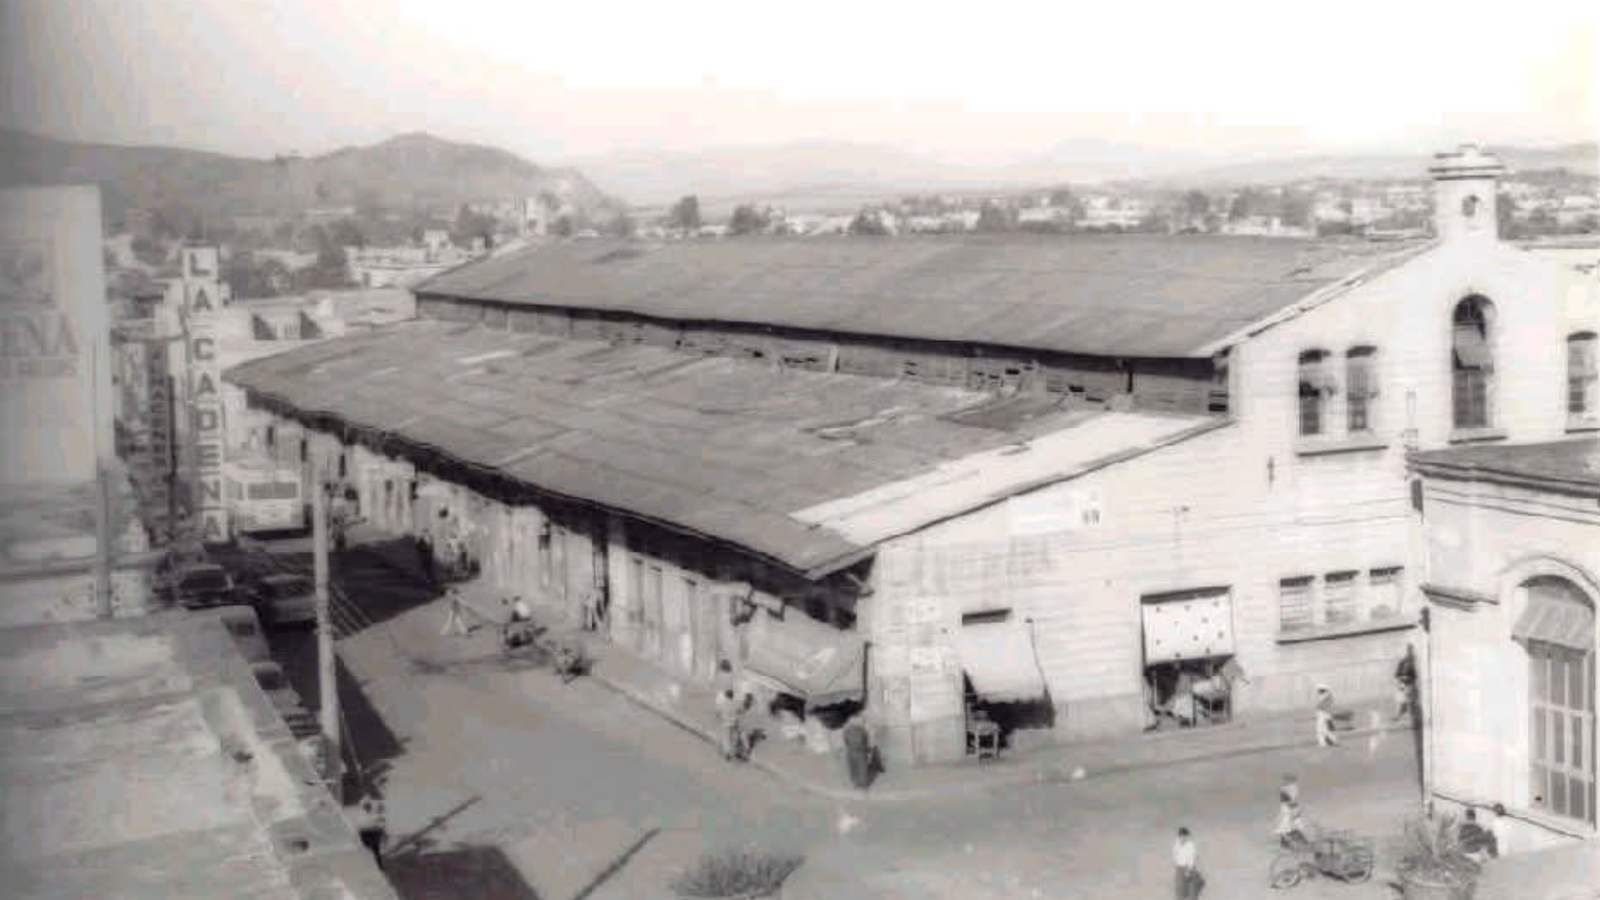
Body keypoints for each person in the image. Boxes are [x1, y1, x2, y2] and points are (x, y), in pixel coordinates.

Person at [351, 794, 387, 870]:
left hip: (369, 833)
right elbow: (379, 823)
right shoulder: (366, 814)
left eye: (368, 805)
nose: (368, 806)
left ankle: (377, 866)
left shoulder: (365, 813)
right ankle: (378, 866)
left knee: (373, 851)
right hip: (368, 833)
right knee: (374, 851)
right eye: (367, 805)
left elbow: (379, 822)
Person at [716, 687, 747, 762]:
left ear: (726, 696)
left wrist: (721, 718)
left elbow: (718, 713)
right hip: (734, 723)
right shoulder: (736, 703)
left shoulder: (722, 704)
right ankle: (735, 751)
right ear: (732, 695)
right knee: (733, 738)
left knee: (726, 739)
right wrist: (737, 715)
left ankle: (727, 753)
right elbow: (742, 711)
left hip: (725, 723)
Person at [1173, 827, 1204, 900]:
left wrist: (1189, 870)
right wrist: (1177, 863)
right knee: (1180, 890)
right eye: (1181, 837)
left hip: (1188, 866)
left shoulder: (1190, 846)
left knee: (1192, 886)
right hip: (1180, 866)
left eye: (1184, 837)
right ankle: (1184, 893)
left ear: (1187, 837)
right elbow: (1175, 854)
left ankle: (1197, 886)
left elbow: (1191, 858)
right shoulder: (1176, 843)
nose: (1182, 839)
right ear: (1179, 836)